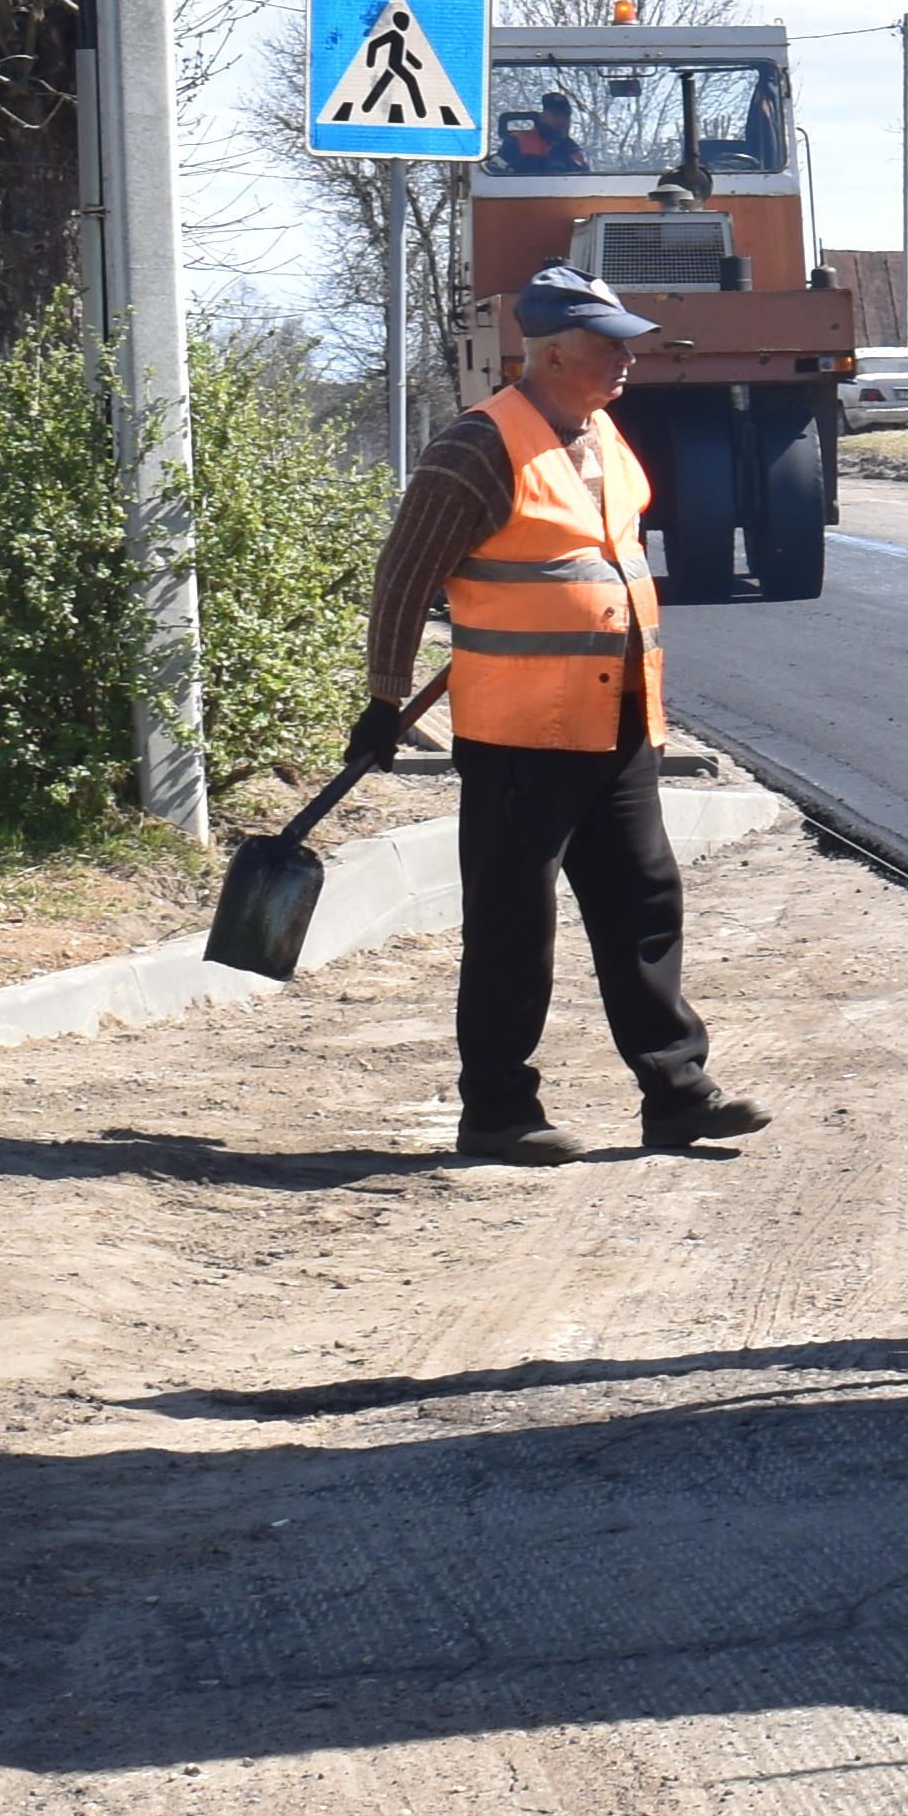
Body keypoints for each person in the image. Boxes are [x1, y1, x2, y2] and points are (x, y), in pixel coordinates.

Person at [354, 276, 769, 1166]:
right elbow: (405, 573)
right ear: (550, 356)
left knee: (644, 902)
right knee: (513, 924)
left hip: (617, 716)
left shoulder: (603, 433)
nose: (627, 359)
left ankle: (677, 1094)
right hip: (521, 735)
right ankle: (498, 1111)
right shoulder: (477, 446)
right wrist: (384, 699)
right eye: (608, 345)